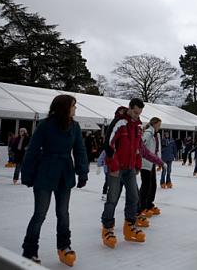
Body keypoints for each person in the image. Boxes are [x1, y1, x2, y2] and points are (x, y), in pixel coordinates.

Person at [20, 95, 89, 266]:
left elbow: (80, 151)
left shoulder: (75, 126)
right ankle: (29, 250)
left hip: (65, 174)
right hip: (45, 173)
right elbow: (32, 151)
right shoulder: (45, 125)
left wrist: (82, 172)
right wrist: (28, 175)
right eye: (73, 106)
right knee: (40, 214)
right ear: (64, 107)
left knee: (63, 213)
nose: (75, 109)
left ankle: (64, 246)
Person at [101, 99, 164, 249]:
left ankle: (129, 226)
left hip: (130, 169)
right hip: (116, 169)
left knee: (134, 197)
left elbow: (140, 148)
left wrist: (144, 163)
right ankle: (107, 228)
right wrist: (114, 166)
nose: (137, 115)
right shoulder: (119, 122)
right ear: (129, 108)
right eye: (135, 112)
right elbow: (108, 145)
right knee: (112, 198)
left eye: (140, 113)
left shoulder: (138, 126)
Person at [139, 117, 164, 218]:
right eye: (159, 125)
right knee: (146, 185)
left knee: (152, 185)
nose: (160, 127)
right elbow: (141, 145)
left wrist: (159, 161)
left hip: (152, 162)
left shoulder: (156, 134)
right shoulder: (148, 133)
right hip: (145, 163)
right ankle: (142, 206)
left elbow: (157, 149)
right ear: (154, 124)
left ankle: (149, 204)